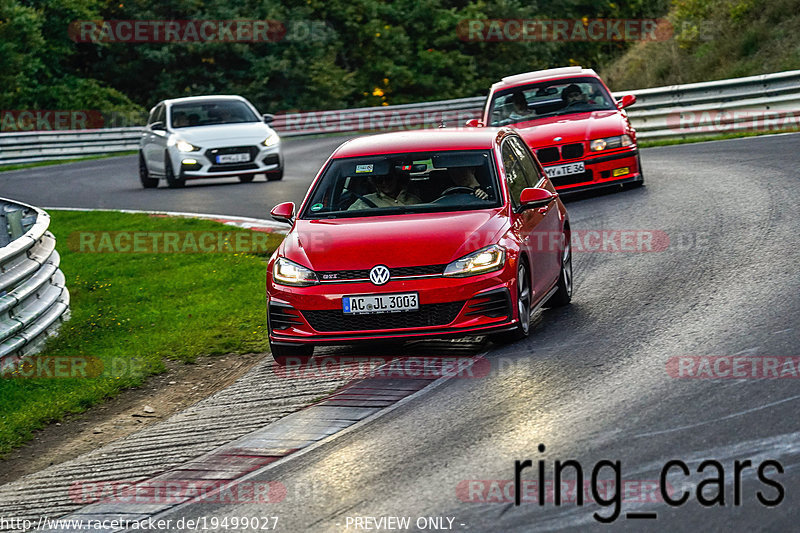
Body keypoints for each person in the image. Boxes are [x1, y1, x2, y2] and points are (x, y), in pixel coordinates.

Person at [348, 171, 422, 210]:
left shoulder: (414, 200)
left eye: (388, 178)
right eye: (379, 180)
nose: (385, 183)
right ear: (374, 183)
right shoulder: (364, 202)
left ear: (396, 178)